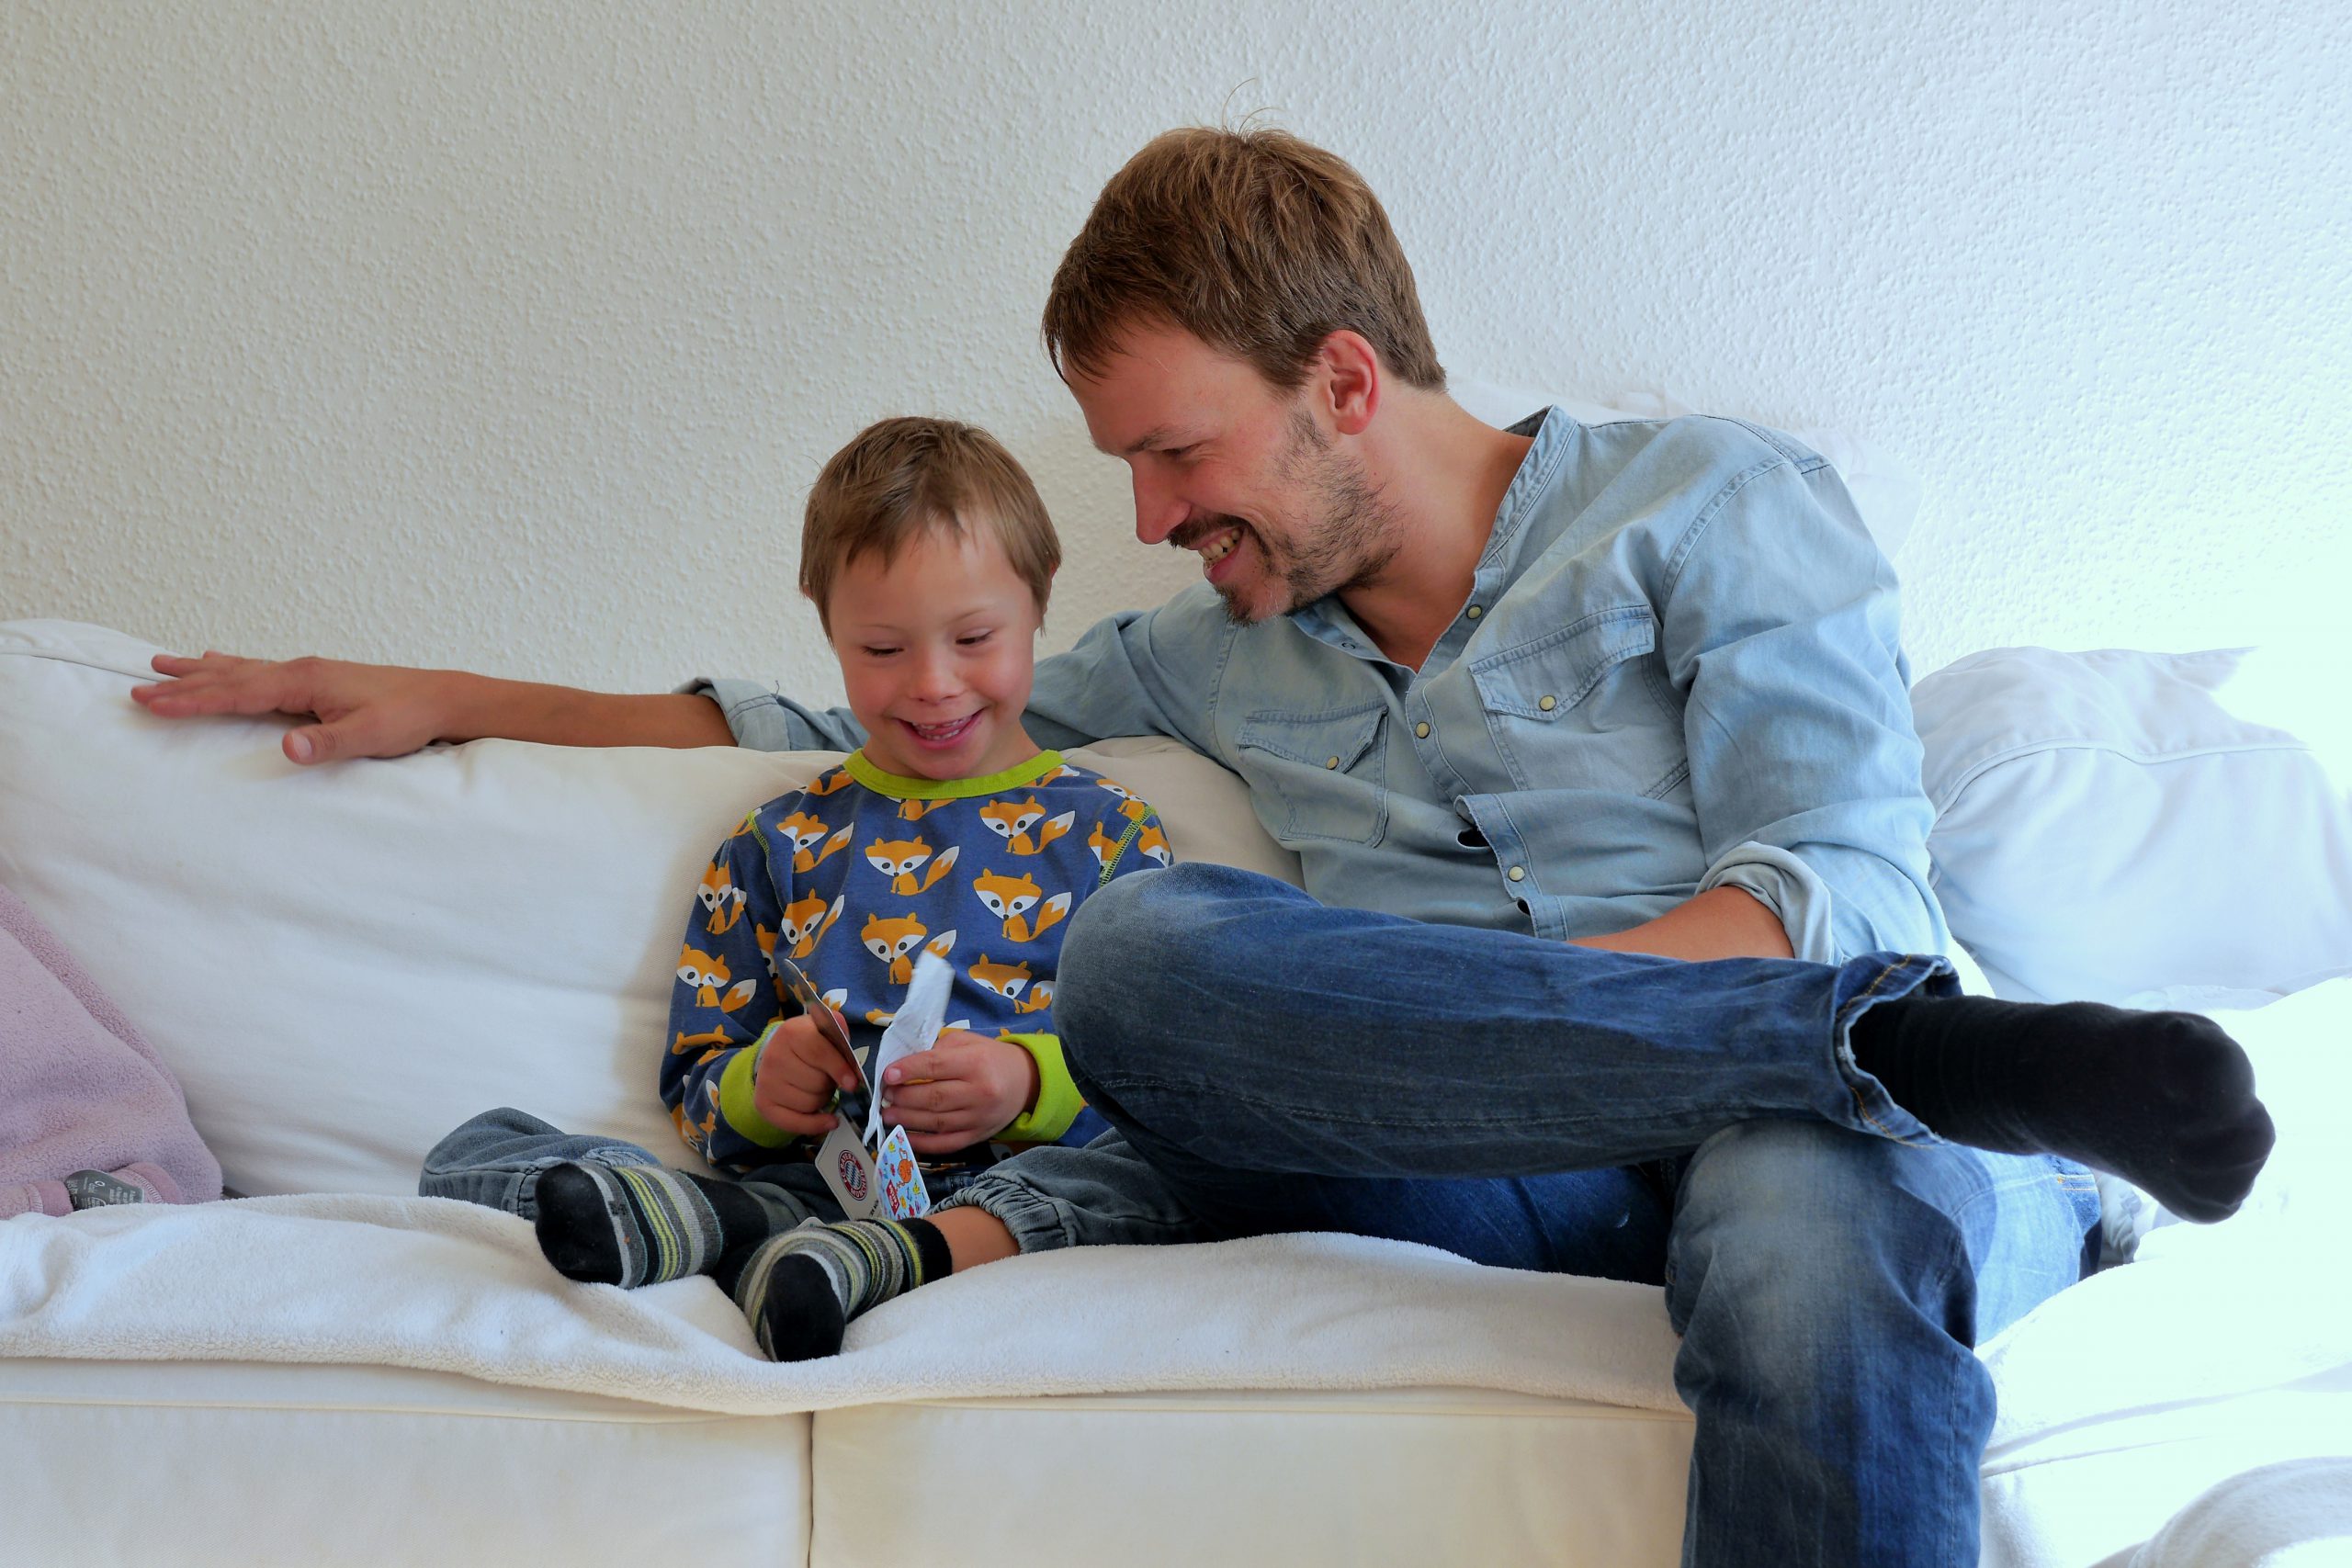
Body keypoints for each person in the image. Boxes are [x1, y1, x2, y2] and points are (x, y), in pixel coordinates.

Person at [136, 130, 2275, 1567]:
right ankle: (1888, 1049)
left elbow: (1833, 882)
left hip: (1805, 1136)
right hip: (1496, 1161)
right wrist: (453, 695)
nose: (1148, 519)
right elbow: (847, 716)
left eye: (1172, 451)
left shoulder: (1703, 504)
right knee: (1142, 955)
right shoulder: (1202, 651)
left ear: (1341, 379)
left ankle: (1913, 1076)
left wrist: (1696, 1022)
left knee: (1809, 1235)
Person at [421, 416, 1191, 1361]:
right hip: (821, 1184)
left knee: (1177, 1179)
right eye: (881, 651)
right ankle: (756, 1235)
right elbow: (700, 1090)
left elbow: (1165, 1076)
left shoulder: (1110, 833)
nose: (933, 683)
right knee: (473, 1151)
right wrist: (761, 1084)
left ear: (1037, 608)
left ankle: (812, 1252)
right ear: (826, 627)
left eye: (974, 638)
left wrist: (1027, 1081)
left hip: (1027, 1191)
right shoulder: (775, 845)